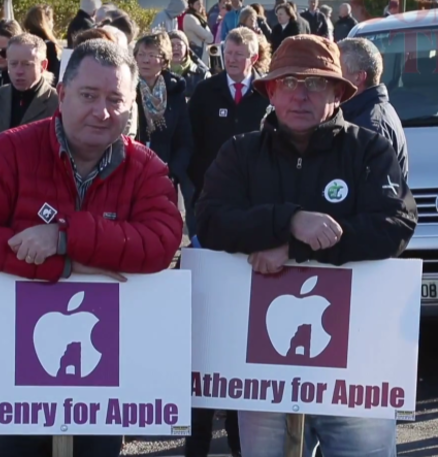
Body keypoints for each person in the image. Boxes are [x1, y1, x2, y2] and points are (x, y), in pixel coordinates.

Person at [0, 38, 183, 457]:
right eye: (89, 95)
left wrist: (64, 237)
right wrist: (66, 266)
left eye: (115, 99)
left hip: (102, 387)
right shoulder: (9, 151)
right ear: (63, 94)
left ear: (131, 106)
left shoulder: (146, 168)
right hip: (3, 378)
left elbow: (161, 243)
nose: (102, 111)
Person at [196, 34, 417, 457]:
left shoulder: (369, 149)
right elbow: (209, 220)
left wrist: (299, 250)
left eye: (315, 83)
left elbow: (396, 223)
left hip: (356, 363)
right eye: (290, 82)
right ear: (271, 90)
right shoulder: (240, 152)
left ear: (338, 92)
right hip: (261, 365)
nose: (301, 95)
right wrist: (289, 221)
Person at [186, 27, 269, 457]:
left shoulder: (269, 96)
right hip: (209, 222)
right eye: (229, 52)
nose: (234, 58)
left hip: (255, 229)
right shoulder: (205, 93)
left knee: (244, 335)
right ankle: (196, 442)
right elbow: (189, 149)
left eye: (242, 53)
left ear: (256, 56)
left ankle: (240, 443)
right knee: (206, 332)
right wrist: (193, 200)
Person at [134, 32, 196, 237]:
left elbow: (185, 140)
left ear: (164, 60)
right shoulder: (126, 89)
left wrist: (173, 172)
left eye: (151, 54)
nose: (144, 60)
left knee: (159, 229)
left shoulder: (175, 91)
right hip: (130, 169)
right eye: (141, 54)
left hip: (164, 173)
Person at [0, 33, 58, 161]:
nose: (19, 71)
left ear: (43, 65)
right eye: (13, 64)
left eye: (27, 64)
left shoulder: (58, 104)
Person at [339, 37, 408, 179]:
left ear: (359, 77)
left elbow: (375, 193)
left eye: (338, 70)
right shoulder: (375, 111)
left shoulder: (368, 126)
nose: (332, 77)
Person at [24, 5, 61, 85]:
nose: (52, 23)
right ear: (46, 21)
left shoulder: (22, 42)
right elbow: (53, 74)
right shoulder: (48, 45)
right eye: (51, 20)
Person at [169, 30, 210, 99]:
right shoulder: (159, 74)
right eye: (171, 45)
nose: (175, 48)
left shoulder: (202, 75)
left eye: (179, 45)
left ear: (187, 48)